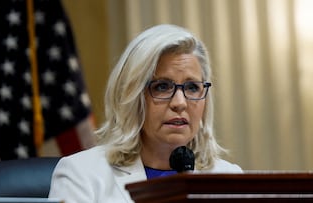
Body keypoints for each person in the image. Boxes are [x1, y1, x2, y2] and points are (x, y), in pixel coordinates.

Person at [48, 24, 242, 203]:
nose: (180, 103)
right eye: (162, 87)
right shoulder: (81, 175)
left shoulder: (230, 179)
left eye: (192, 87)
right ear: (132, 97)